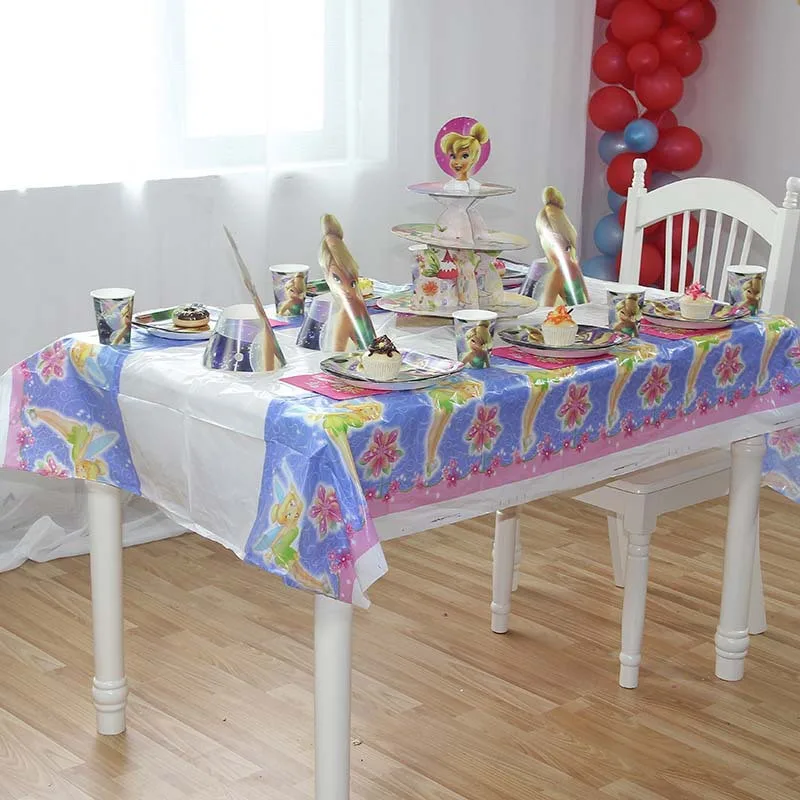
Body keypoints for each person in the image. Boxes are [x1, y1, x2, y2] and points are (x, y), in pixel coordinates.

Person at [318, 214, 376, 351]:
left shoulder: (357, 305)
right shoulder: (344, 316)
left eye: (352, 283)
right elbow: (337, 357)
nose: (347, 290)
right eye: (337, 279)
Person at [440, 122, 488, 191]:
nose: (457, 162)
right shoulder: (449, 186)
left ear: (473, 159)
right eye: (453, 156)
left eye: (464, 156)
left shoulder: (475, 186)